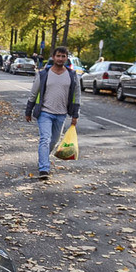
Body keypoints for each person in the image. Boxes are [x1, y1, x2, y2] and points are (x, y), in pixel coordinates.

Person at [25, 46, 80, 180]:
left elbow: (77, 95)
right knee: (45, 139)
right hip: (45, 112)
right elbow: (34, 93)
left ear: (66, 58)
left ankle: (43, 158)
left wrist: (75, 115)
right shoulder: (43, 74)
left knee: (54, 141)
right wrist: (28, 110)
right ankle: (44, 168)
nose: (60, 59)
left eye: (63, 56)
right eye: (58, 56)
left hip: (61, 114)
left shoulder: (72, 75)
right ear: (53, 57)